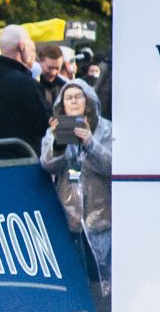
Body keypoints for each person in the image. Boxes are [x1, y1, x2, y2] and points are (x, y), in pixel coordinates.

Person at [40, 78, 112, 290]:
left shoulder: (107, 130)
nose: (73, 101)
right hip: (69, 213)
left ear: (88, 100)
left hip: (103, 213)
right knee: (77, 277)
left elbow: (113, 166)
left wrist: (90, 143)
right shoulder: (55, 130)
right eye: (68, 98)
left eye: (77, 97)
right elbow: (46, 164)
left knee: (104, 278)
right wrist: (58, 143)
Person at [0, 25, 45, 148]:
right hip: (24, 156)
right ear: (22, 46)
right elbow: (44, 124)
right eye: (31, 48)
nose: (34, 55)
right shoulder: (26, 83)